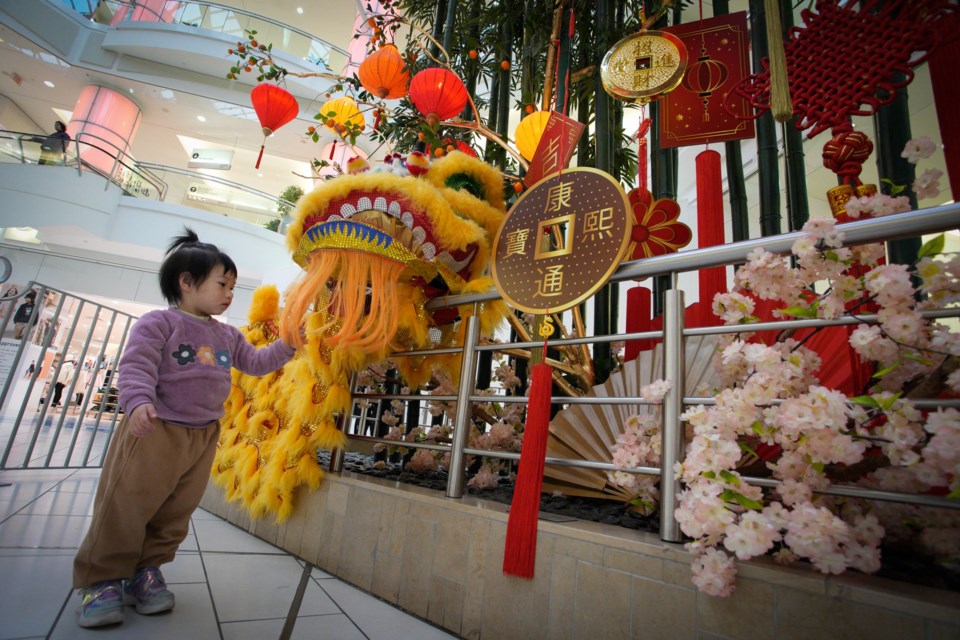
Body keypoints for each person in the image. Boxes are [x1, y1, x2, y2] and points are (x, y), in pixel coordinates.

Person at [71, 228, 298, 629]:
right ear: (187, 282)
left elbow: (258, 363)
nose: (229, 293)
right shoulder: (158, 324)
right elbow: (136, 366)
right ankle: (101, 579)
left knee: (176, 509)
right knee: (127, 503)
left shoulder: (227, 334)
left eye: (232, 286)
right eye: (221, 283)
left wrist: (290, 343)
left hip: (202, 434)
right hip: (155, 429)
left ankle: (146, 571)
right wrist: (138, 402)